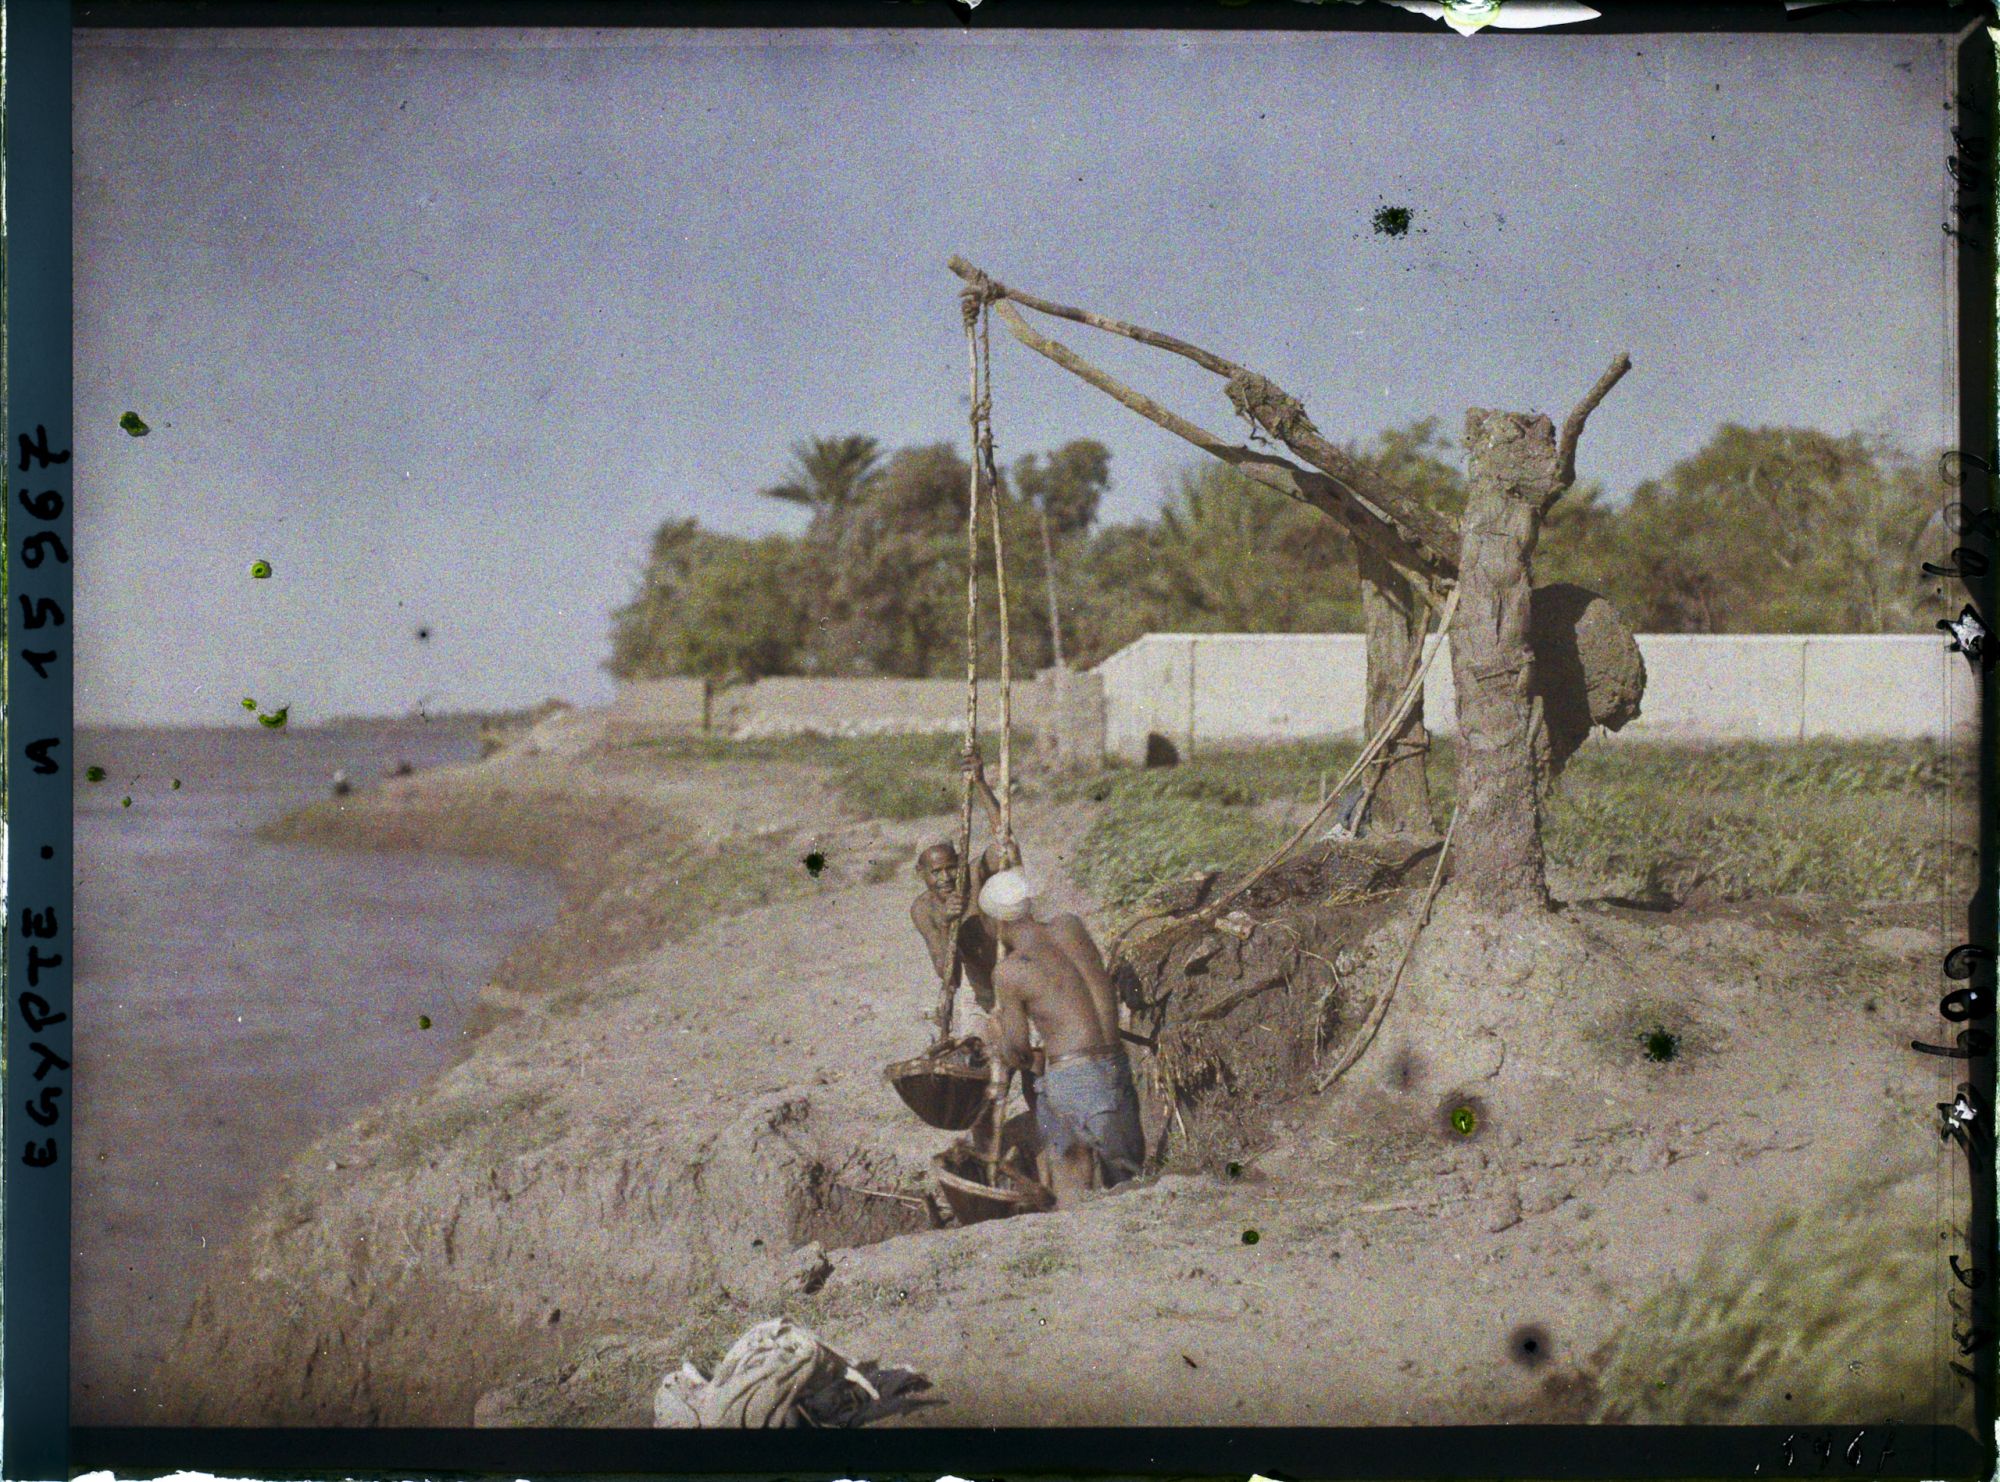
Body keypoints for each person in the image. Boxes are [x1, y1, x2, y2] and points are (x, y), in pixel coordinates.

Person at [978, 868, 1144, 1207]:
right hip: (1115, 1063)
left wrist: (997, 1034)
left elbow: (1018, 1054)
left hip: (1074, 1077)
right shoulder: (1071, 927)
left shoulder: (1011, 971)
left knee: (1074, 1185)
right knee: (1131, 1184)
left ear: (995, 924)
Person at [910, 741, 1017, 1018]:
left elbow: (1006, 844)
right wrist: (947, 925)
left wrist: (980, 783)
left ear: (960, 862)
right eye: (935, 872)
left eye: (950, 868)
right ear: (920, 873)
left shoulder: (975, 873)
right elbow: (951, 978)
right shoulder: (924, 910)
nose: (945, 878)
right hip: (980, 995)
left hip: (1017, 980)